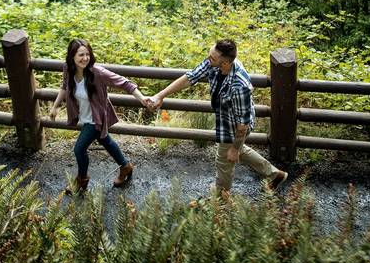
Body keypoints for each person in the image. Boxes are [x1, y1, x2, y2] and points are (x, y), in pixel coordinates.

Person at [146, 39, 287, 196]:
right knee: (237, 152)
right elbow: (190, 77)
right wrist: (160, 95)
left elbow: (243, 124)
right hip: (226, 118)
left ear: (225, 64)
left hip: (235, 126)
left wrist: (234, 148)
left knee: (224, 161)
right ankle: (275, 175)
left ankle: (219, 200)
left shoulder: (240, 86)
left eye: (212, 58)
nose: (208, 60)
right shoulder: (214, 62)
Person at [48, 38, 149, 193]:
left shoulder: (98, 73)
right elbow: (64, 86)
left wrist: (141, 98)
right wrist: (55, 106)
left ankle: (82, 180)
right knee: (105, 140)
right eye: (81, 55)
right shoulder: (68, 69)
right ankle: (126, 167)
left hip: (96, 119)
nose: (85, 58)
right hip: (85, 115)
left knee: (79, 149)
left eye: (87, 54)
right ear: (72, 57)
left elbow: (124, 83)